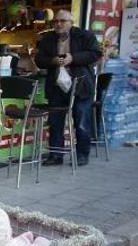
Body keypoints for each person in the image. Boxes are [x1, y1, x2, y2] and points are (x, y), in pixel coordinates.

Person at [34, 10, 101, 167]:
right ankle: (56, 155)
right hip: (57, 85)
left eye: (62, 21)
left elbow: (95, 54)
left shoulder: (84, 36)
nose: (58, 24)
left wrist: (73, 58)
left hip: (80, 85)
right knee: (56, 122)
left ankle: (82, 155)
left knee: (82, 121)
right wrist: (52, 60)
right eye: (56, 21)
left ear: (71, 22)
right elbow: (39, 59)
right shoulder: (48, 38)